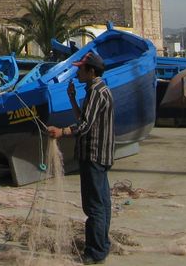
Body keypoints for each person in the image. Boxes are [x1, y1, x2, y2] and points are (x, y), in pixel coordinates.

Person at [46, 50, 114, 264]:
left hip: (93, 155)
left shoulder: (96, 92)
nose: (77, 73)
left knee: (94, 206)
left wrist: (61, 131)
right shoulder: (100, 89)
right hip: (102, 155)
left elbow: (84, 126)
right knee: (102, 202)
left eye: (80, 69)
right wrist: (72, 99)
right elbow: (85, 118)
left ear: (91, 71)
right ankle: (102, 246)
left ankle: (95, 252)